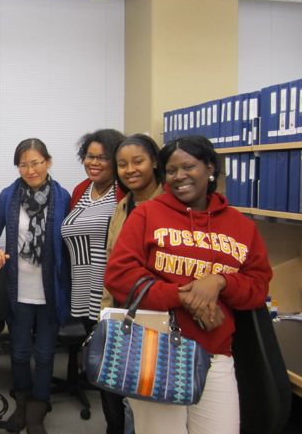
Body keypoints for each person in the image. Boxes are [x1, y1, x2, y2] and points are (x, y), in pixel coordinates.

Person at [105, 135, 272, 434]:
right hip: (156, 351)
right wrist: (186, 296)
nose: (179, 176)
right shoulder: (147, 214)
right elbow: (119, 275)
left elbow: (258, 286)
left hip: (215, 352)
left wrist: (220, 282)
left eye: (188, 167)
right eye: (171, 170)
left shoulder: (242, 226)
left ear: (209, 168)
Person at [0, 138, 70, 434]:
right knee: (20, 351)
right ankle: (22, 401)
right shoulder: (8, 197)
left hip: (50, 289)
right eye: (23, 164)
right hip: (19, 287)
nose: (30, 169)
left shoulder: (62, 196)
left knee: (47, 353)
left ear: (48, 162)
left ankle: (39, 406)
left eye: (36, 162)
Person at [61, 128, 125, 434]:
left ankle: (117, 427)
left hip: (109, 294)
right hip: (83, 291)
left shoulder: (122, 192)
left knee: (115, 371)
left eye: (103, 157)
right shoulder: (81, 190)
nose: (94, 162)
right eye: (90, 156)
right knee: (100, 366)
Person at [103, 133, 164, 434]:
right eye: (123, 164)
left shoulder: (170, 206)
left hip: (157, 315)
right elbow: (112, 263)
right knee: (120, 392)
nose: (130, 170)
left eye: (138, 161)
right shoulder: (123, 206)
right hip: (122, 313)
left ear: (154, 161)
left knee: (145, 399)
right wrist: (105, 315)